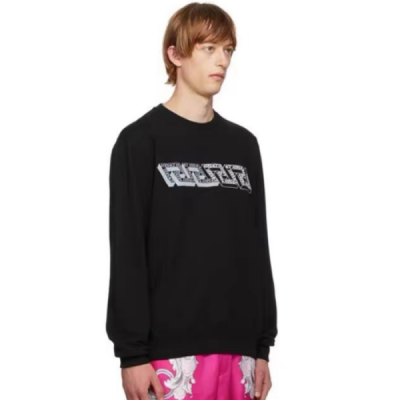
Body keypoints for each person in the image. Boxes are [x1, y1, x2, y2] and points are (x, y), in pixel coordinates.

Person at [106, 3, 278, 400]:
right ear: (176, 54)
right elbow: (128, 250)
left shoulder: (244, 146)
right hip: (168, 356)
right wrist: (132, 354)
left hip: (240, 352)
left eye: (228, 50)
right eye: (209, 48)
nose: (222, 61)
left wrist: (261, 347)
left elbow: (257, 247)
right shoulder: (139, 142)